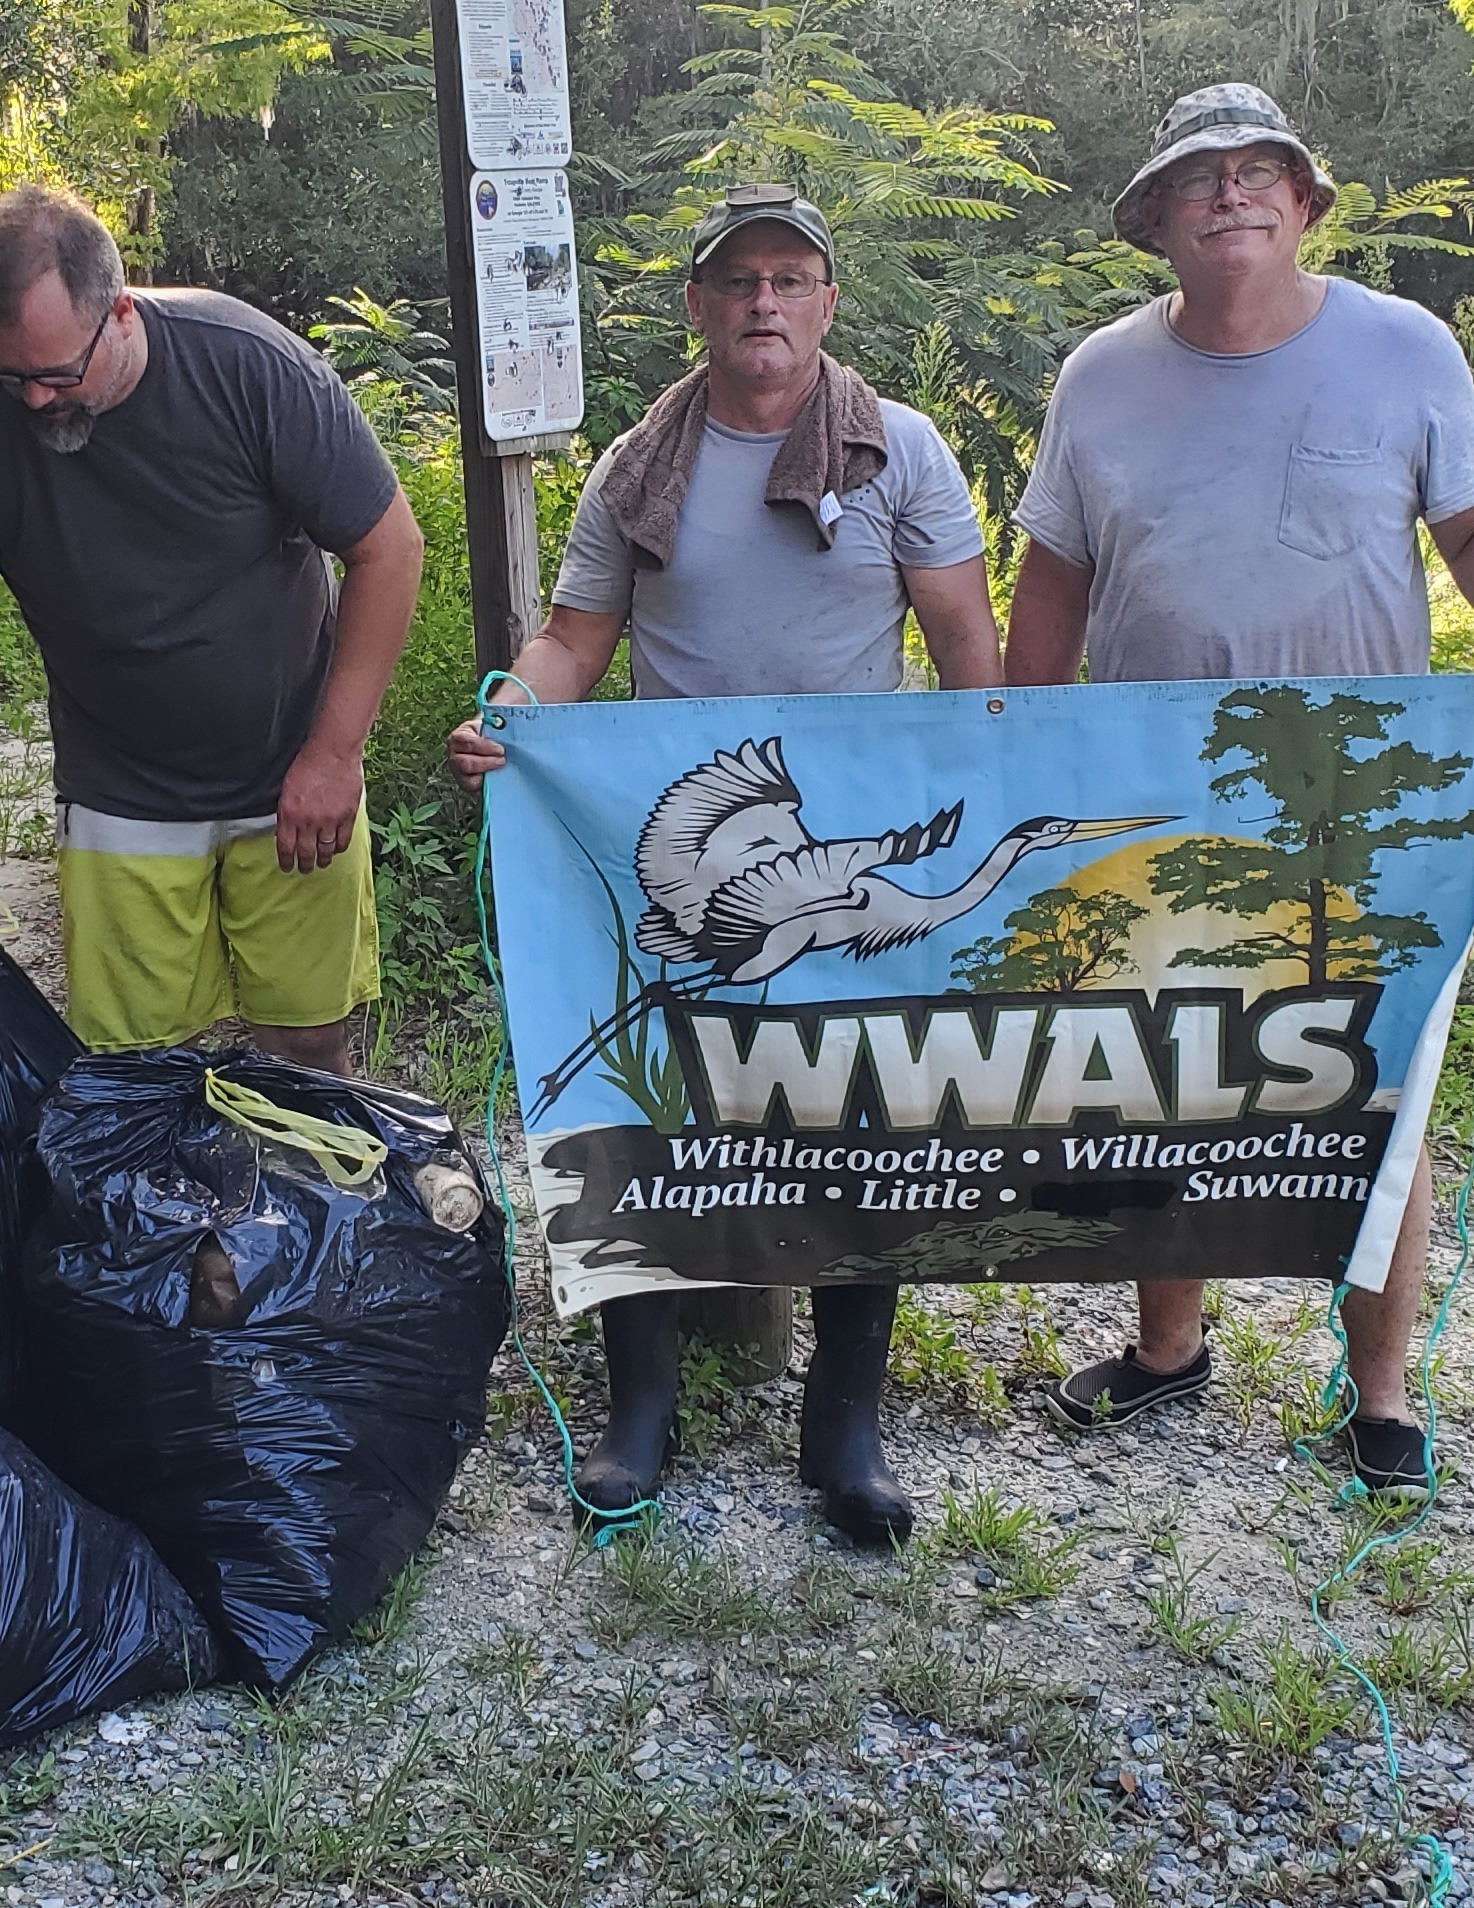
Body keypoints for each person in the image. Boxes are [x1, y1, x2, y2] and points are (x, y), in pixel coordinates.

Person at [1003, 84, 1474, 1501]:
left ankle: (1380, 1397)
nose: (1233, 194)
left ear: (1308, 205)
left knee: (1373, 1084)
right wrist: (1010, 736)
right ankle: (1167, 1350)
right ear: (1157, 221)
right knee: (1163, 1067)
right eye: (1202, 178)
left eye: (1264, 172)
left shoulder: (1403, 348)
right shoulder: (1099, 376)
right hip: (1152, 785)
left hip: (1362, 797)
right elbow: (1054, 576)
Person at [447, 183, 1004, 1547]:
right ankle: (640, 1410)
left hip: (849, 860)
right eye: (739, 281)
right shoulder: (640, 469)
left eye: (791, 280)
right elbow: (575, 642)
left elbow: (968, 651)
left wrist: (994, 786)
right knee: (647, 1111)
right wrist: (520, 709)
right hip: (680, 848)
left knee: (861, 1126)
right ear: (696, 306)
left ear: (827, 302)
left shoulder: (904, 455)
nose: (765, 303)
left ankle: (847, 1424)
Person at [0, 181, 427, 1073]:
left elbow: (389, 549)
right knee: (133, 1066)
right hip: (119, 790)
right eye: (8, 372)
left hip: (290, 769)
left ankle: (312, 1204)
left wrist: (336, 753)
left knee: (304, 1040)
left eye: (58, 375)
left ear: (121, 313)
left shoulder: (249, 368)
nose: (33, 402)